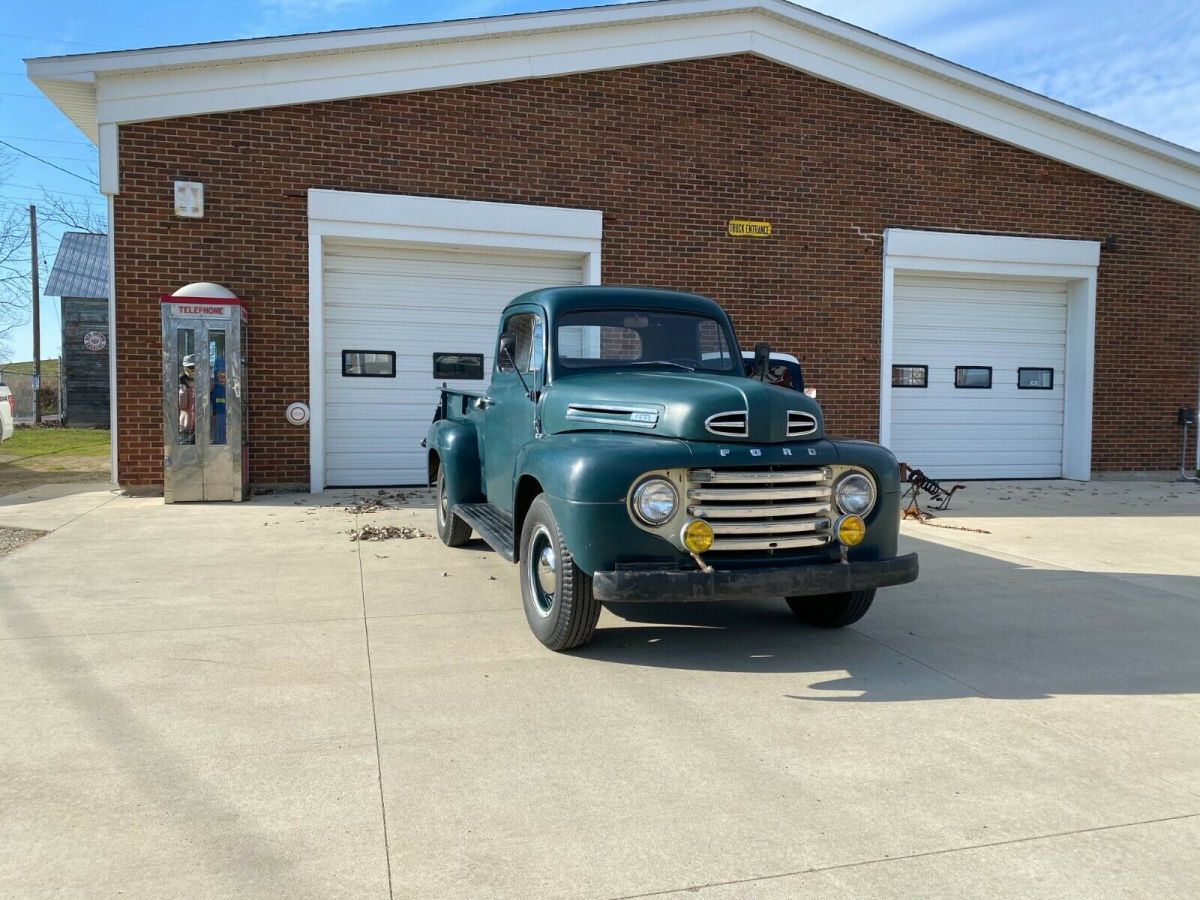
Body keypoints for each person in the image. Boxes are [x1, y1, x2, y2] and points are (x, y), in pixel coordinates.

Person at [178, 354, 196, 444]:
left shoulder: (204, 382)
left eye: (194, 367)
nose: (193, 370)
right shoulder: (181, 384)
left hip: (200, 426)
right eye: (190, 367)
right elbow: (182, 405)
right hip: (186, 425)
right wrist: (183, 390)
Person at [210, 359, 227, 444]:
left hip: (227, 416)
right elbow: (211, 401)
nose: (221, 379)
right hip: (217, 416)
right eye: (219, 377)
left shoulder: (230, 388)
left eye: (223, 376)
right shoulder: (215, 387)